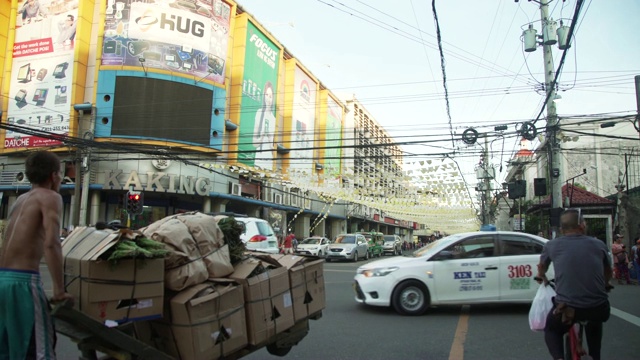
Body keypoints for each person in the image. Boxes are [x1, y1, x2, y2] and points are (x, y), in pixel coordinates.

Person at [0, 150, 74, 359]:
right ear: (53, 176)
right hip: (23, 283)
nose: (61, 178)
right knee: (39, 349)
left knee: (8, 349)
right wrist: (59, 290)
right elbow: (51, 244)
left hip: (2, 279)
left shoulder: (20, 200)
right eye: (60, 173)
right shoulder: (51, 197)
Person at [536, 209, 612, 360]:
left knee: (551, 330)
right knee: (595, 322)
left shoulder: (552, 245)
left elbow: (541, 267)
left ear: (561, 229)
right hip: (599, 308)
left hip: (568, 307)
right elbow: (608, 271)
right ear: (582, 225)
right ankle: (595, 356)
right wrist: (605, 284)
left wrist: (541, 276)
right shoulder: (598, 244)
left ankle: (558, 358)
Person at [252, 81, 276, 169]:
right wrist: (261, 137)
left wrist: (270, 143)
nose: (268, 99)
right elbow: (254, 143)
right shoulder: (259, 113)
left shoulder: (274, 120)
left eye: (270, 96)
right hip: (258, 160)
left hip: (269, 161)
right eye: (266, 95)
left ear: (273, 98)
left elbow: (274, 151)